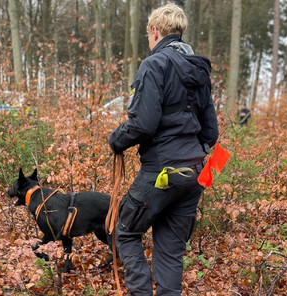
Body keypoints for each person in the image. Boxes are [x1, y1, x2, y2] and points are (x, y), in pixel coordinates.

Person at [108, 3, 219, 295]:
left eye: (148, 34)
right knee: (170, 253)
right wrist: (193, 156)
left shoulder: (153, 65)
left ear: (155, 31)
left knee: (126, 231)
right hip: (194, 175)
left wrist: (116, 139)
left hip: (162, 172)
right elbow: (212, 132)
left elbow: (142, 124)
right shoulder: (199, 70)